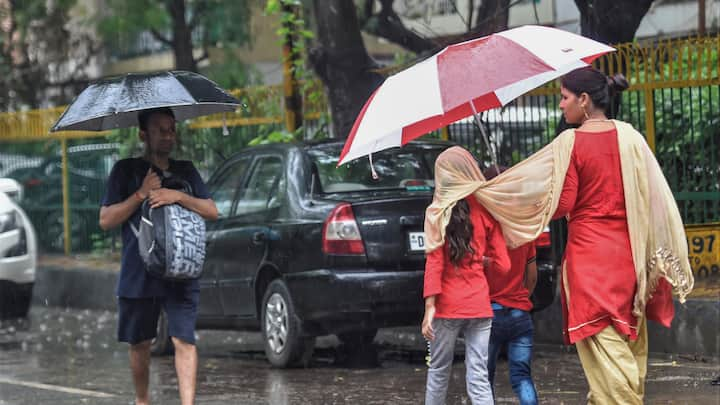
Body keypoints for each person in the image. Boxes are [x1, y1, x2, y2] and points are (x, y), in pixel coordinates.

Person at [551, 66, 686, 404]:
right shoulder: (631, 137)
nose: (560, 105)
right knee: (628, 342)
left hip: (589, 263)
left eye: (564, 97)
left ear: (583, 100)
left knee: (605, 355)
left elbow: (563, 203)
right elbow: (650, 196)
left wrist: (523, 203)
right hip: (629, 260)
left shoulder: (570, 142)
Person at [99, 107, 218, 405]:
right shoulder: (125, 171)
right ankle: (143, 400)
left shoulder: (186, 171)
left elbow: (212, 211)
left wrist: (177, 196)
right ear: (143, 134)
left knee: (184, 339)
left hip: (181, 269)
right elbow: (106, 220)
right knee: (139, 343)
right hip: (139, 271)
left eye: (171, 129)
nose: (168, 135)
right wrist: (141, 193)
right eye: (160, 129)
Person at [422, 146, 511, 405]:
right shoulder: (484, 210)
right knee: (479, 376)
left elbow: (435, 262)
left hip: (447, 307)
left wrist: (429, 307)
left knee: (439, 371)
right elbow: (503, 265)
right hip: (480, 305)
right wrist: (483, 266)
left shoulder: (437, 212)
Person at [482, 166, 538, 405]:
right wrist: (520, 299)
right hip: (520, 315)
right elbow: (532, 277)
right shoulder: (522, 228)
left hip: (488, 315)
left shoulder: (481, 228)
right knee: (522, 377)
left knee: (484, 378)